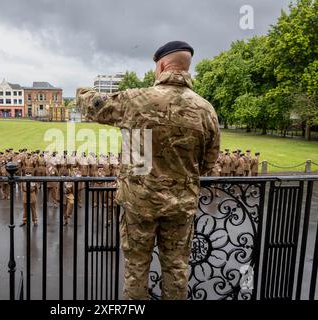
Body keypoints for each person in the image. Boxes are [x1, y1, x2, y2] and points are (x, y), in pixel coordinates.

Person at [76, 40, 220, 300]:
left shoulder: (137, 99)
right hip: (181, 205)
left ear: (162, 64)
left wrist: (80, 92)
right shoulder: (206, 110)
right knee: (176, 267)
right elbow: (209, 162)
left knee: (136, 267)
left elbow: (95, 106)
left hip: (140, 204)